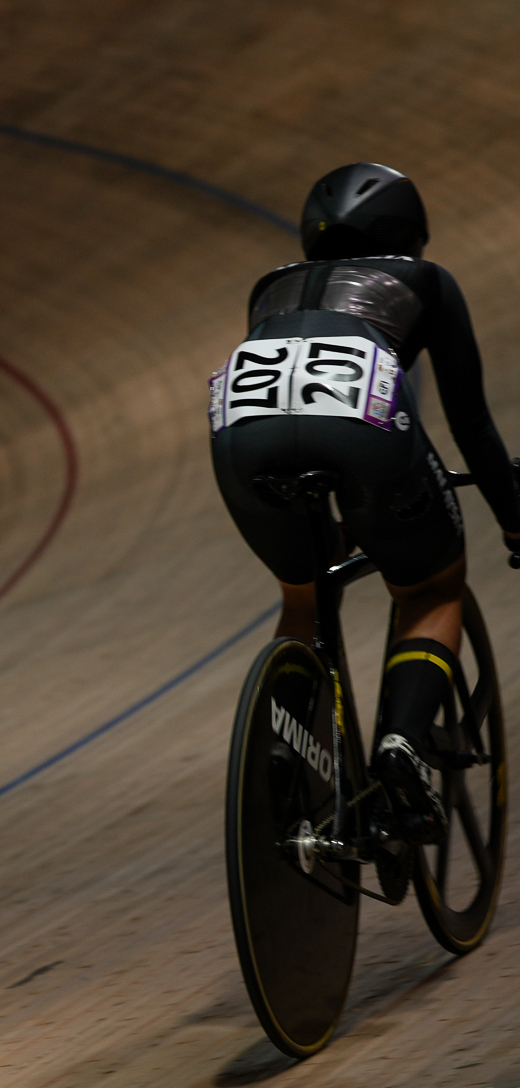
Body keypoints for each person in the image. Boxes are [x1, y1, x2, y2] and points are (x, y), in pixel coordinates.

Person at [211, 162, 520, 840]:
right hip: (361, 435)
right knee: (432, 588)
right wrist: (514, 518)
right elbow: (471, 423)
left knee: (304, 593)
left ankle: (285, 752)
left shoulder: (271, 288)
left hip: (243, 436)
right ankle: (400, 745)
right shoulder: (426, 281)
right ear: (411, 230)